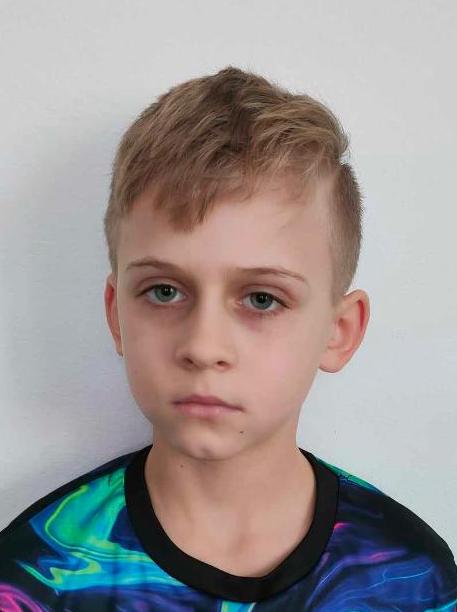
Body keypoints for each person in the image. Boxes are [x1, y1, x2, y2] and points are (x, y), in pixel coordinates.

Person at [1, 65, 456, 610]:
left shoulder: (413, 580)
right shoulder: (34, 579)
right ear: (117, 315)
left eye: (262, 299)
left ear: (339, 331)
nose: (204, 347)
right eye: (164, 291)